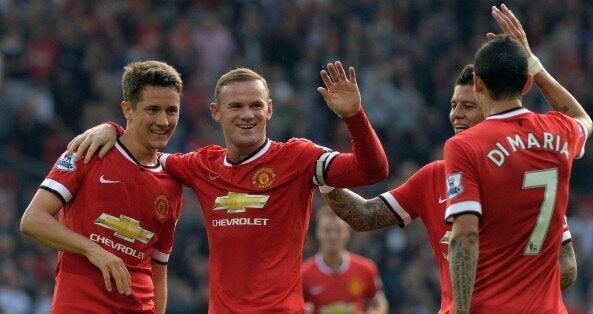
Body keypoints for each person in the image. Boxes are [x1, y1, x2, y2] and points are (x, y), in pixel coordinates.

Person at [319, 6, 583, 313]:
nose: (457, 114)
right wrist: (322, 171)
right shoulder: (441, 176)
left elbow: (468, 237)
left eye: (469, 105)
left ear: (488, 99)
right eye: (453, 104)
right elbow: (364, 215)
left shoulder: (468, 154)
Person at [66, 61, 389, 312]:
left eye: (255, 105)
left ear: (270, 110)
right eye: (236, 106)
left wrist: (354, 117)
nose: (247, 115)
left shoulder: (297, 158)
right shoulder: (200, 165)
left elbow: (372, 169)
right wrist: (114, 129)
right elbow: (147, 153)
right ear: (216, 113)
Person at [443, 4, 593, 313]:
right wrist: (534, 66)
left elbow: (466, 236)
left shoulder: (465, 146)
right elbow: (582, 117)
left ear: (479, 85)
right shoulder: (560, 131)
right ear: (526, 84)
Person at [20, 60, 185, 313]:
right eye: (152, 109)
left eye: (171, 110)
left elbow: (158, 268)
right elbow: (32, 220)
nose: (163, 121)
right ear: (127, 110)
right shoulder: (87, 151)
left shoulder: (172, 182)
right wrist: (92, 250)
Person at [302, 205, 389, 314]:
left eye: (338, 230)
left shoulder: (366, 268)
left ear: (347, 233)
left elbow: (379, 302)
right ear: (318, 232)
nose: (333, 236)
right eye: (327, 230)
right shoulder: (304, 274)